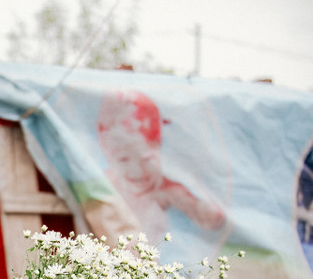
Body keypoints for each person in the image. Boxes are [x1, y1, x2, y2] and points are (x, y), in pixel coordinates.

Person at [97, 89, 226, 244]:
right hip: (104, 257)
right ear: (107, 153)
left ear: (158, 149)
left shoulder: (163, 188)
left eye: (147, 159)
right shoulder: (102, 184)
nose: (137, 171)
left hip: (148, 258)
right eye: (123, 160)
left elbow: (211, 218)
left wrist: (204, 209)